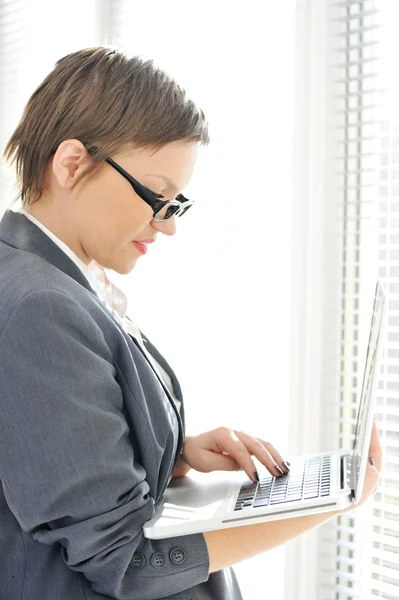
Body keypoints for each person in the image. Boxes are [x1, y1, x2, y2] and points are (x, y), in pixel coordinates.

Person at [0, 46, 382, 600]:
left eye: (176, 204)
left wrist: (172, 450)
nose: (167, 226)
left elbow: (40, 456)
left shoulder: (57, 278)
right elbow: (124, 560)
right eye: (156, 197)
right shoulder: (40, 307)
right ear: (72, 163)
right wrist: (330, 503)